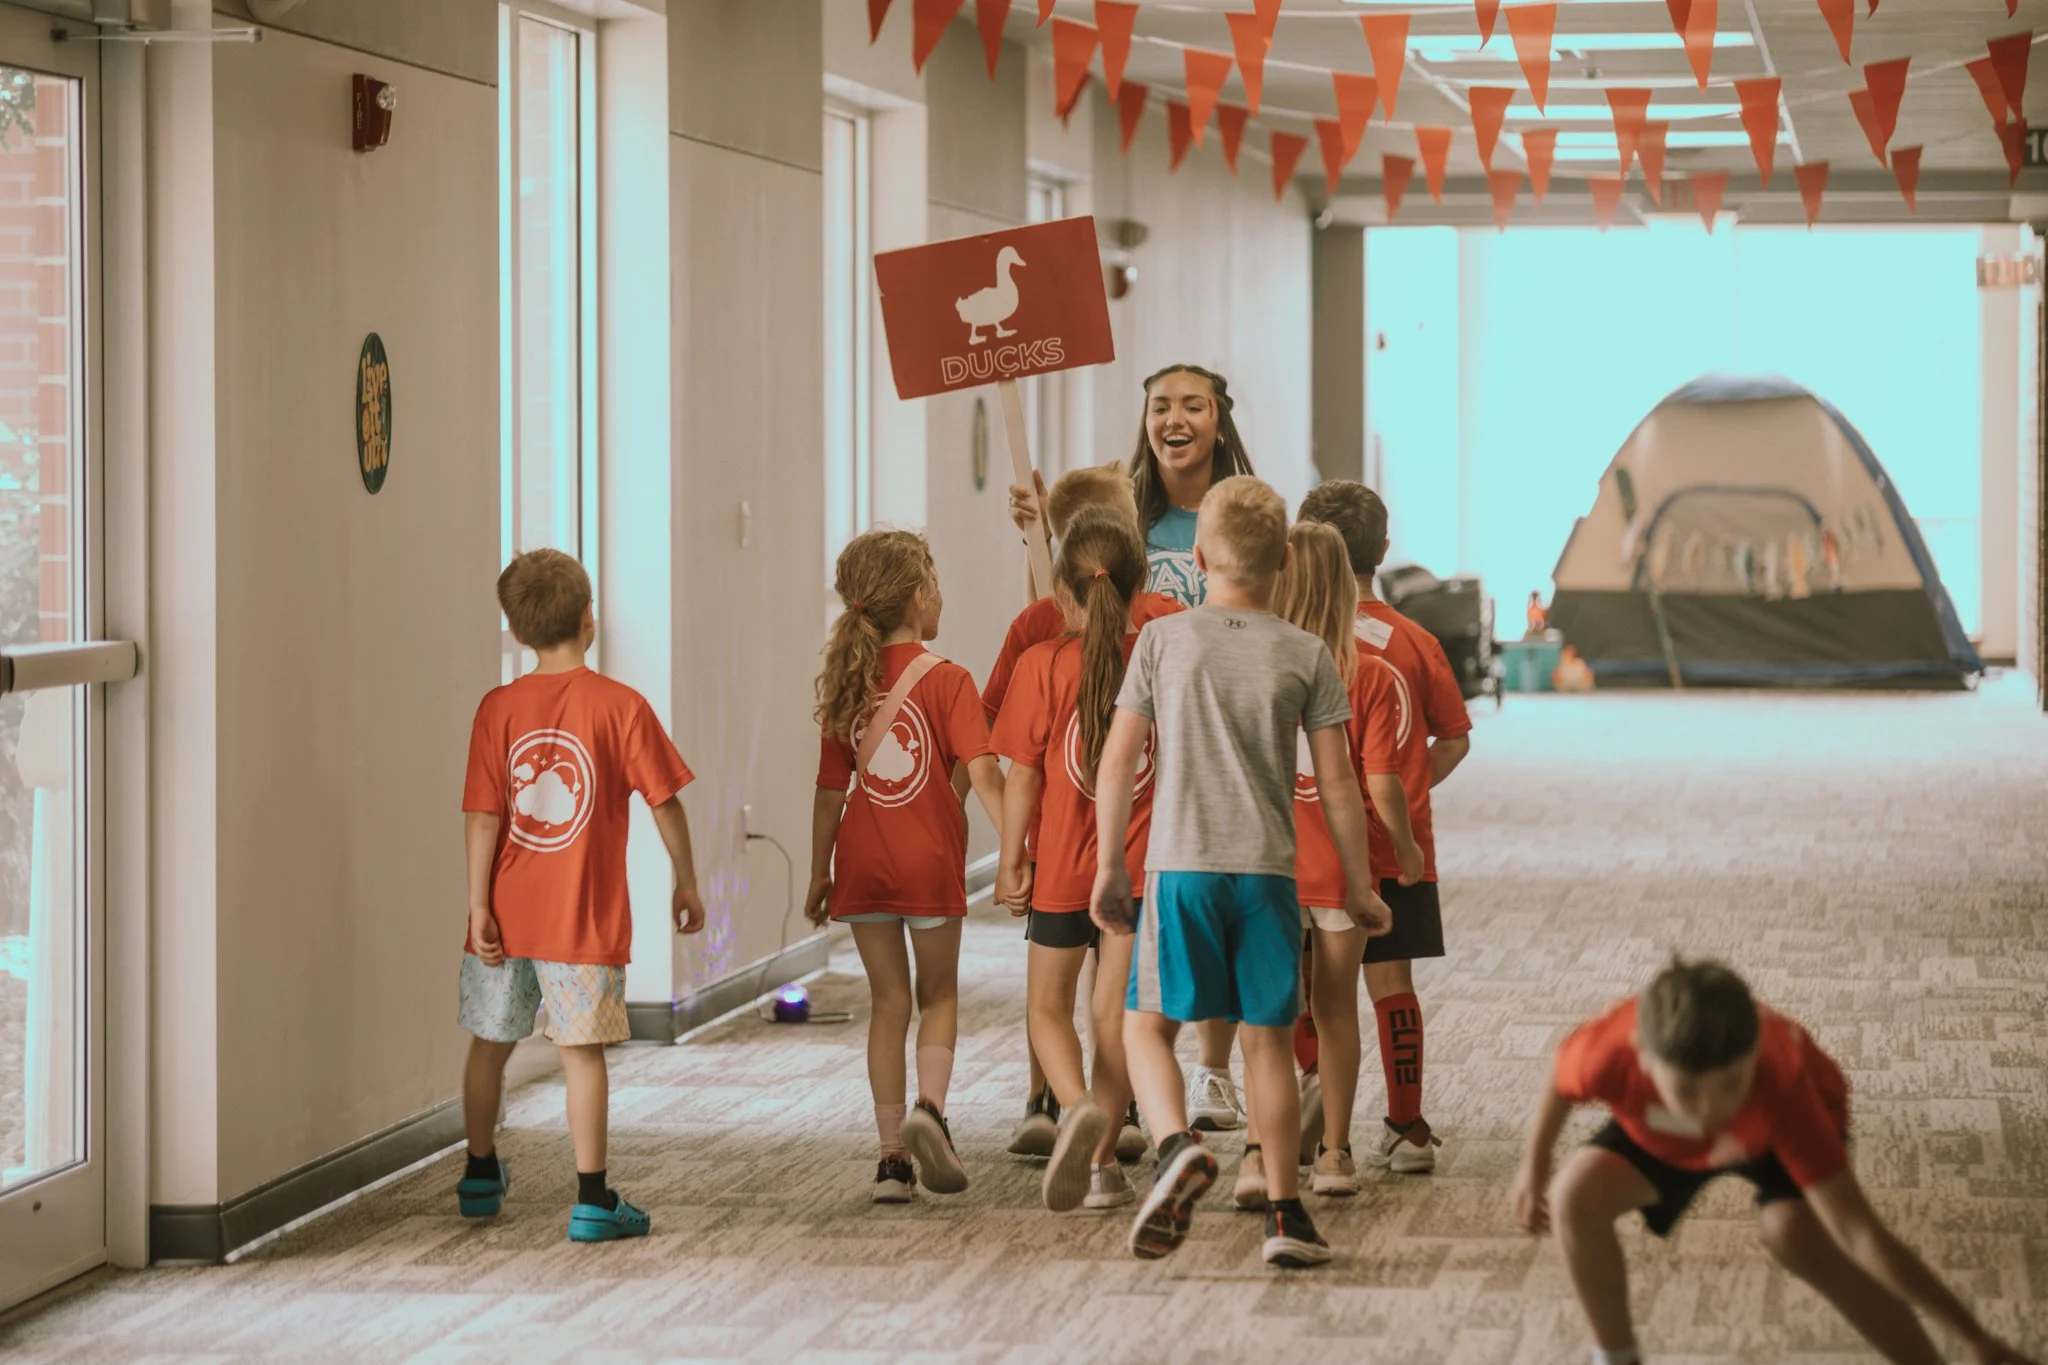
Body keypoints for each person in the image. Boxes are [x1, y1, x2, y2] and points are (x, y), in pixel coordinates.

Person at [1091, 476, 1389, 1269]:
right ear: (1285, 559)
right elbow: (1338, 786)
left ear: (1194, 555)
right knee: (1268, 1044)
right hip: (1268, 877)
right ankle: (1286, 1213)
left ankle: (1173, 1147)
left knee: (1145, 1025)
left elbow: (1118, 759)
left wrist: (1106, 866)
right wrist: (1358, 885)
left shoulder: (1162, 641)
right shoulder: (1308, 652)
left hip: (1180, 866)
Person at [1514, 959, 2039, 1365]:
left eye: (1729, 1083)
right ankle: (1616, 1358)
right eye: (1689, 1089)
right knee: (1573, 1196)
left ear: (1753, 1057)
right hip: (1661, 1135)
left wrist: (1976, 1336)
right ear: (1644, 1058)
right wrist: (1533, 1167)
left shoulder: (1781, 1081)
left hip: (1773, 1130)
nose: (1711, 1106)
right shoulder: (1608, 1051)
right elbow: (1560, 1082)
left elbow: (1860, 1234)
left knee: (1795, 1234)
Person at [1011, 365, 1260, 1134]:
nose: (1175, 418)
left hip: (1190, 765)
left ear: (1221, 417)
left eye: (1192, 404)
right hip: (1145, 799)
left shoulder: (1241, 514)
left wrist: (1012, 844)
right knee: (1117, 994)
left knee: (1105, 990)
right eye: (1161, 405)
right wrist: (1038, 535)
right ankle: (1098, 1113)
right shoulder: (1139, 564)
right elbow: (1062, 610)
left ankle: (1178, 1086)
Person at [457, 549, 705, 1243]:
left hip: (504, 915)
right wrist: (686, 879)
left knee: (488, 1045)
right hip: (582, 921)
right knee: (581, 1054)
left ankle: (479, 1172)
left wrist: (479, 904)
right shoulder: (620, 706)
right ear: (589, 620)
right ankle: (593, 1199)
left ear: (516, 631)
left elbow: (481, 814)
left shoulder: (498, 708)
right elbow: (666, 802)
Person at [985, 465, 1181, 1163]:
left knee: (1047, 1007)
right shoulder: (1165, 645)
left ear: (1063, 591)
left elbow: (1023, 778)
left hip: (1063, 871)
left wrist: (1012, 860)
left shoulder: (1041, 662)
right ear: (1141, 581)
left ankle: (1074, 1111)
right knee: (1115, 1011)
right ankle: (1104, 1141)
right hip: (1136, 871)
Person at [805, 529, 1007, 1204]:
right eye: (937, 584)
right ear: (920, 596)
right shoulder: (949, 681)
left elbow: (830, 791)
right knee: (939, 994)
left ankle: (892, 1156)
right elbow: (983, 772)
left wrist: (817, 872)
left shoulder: (847, 684)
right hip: (927, 860)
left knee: (887, 1002)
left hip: (860, 861)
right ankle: (932, 1111)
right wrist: (1018, 852)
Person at [1298, 480, 1471, 1174]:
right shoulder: (1414, 640)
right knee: (1390, 981)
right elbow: (1454, 737)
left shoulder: (1296, 638)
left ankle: (1314, 1104)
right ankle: (1406, 1124)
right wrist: (1411, 787)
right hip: (1396, 852)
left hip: (1306, 841)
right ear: (1384, 549)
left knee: (1309, 980)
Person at [1253, 522, 1426, 1205]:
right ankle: (1334, 1153)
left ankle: (1261, 1150)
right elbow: (1376, 782)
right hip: (1337, 867)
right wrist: (1404, 851)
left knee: (1266, 1012)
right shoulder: (1372, 674)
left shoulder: (1263, 664)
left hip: (1266, 862)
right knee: (1336, 1008)